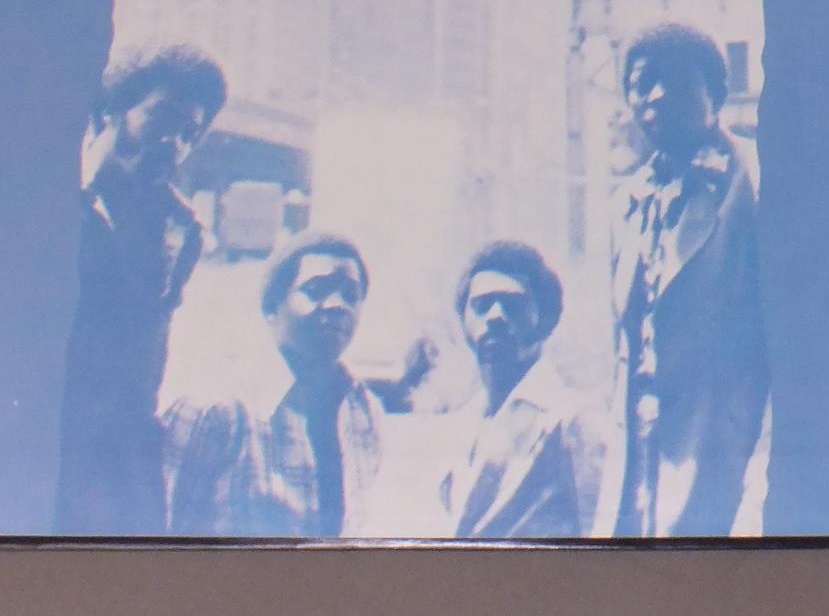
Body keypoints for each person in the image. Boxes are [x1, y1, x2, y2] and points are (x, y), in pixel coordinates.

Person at [604, 22, 771, 536]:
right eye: (643, 83)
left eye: (676, 82)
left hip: (728, 438)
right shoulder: (627, 201)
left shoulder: (756, 178)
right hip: (641, 446)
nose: (656, 95)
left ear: (714, 94)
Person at [55, 46, 227, 535]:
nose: (175, 142)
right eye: (164, 117)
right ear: (112, 109)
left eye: (190, 133)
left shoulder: (182, 230)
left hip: (125, 455)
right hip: (40, 437)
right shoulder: (53, 196)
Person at [162, 231, 385, 536]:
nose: (338, 305)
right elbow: (161, 532)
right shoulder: (215, 408)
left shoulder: (363, 409)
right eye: (316, 289)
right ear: (271, 307)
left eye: (351, 294)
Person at [438, 240, 603, 538]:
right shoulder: (462, 423)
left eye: (513, 305)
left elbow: (603, 531)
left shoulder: (573, 419)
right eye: (482, 305)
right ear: (464, 321)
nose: (495, 316)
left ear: (545, 319)